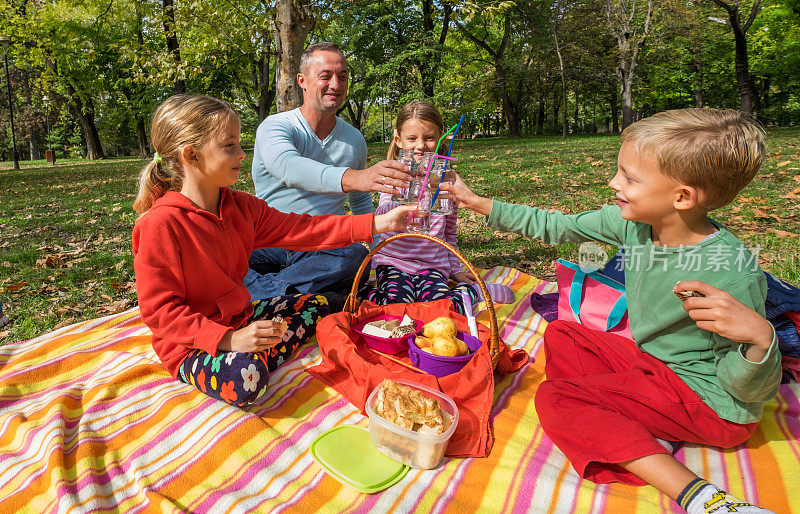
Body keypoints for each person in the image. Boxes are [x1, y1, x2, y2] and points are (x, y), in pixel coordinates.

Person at [441, 108, 781, 513]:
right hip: (656, 368)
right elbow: (557, 226)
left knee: (555, 398)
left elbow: (746, 392)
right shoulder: (636, 224)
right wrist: (476, 202)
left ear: (683, 197)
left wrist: (760, 339)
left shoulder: (728, 273)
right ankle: (619, 424)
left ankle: (702, 497)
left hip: (713, 406)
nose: (613, 183)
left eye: (629, 178)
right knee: (562, 334)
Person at [132, 94, 414, 408]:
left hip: (243, 319)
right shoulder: (160, 224)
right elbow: (159, 312)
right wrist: (229, 341)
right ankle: (251, 355)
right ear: (191, 155)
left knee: (327, 304)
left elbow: (305, 230)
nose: (241, 154)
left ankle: (258, 345)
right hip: (193, 346)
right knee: (248, 376)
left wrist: (378, 223)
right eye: (230, 146)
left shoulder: (241, 206)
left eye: (239, 143)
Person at [246, 42, 412, 308]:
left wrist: (376, 251)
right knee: (213, 260)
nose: (335, 84)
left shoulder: (354, 139)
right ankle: (310, 297)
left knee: (355, 255)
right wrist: (357, 177)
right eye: (325, 76)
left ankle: (264, 295)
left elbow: (360, 204)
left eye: (343, 76)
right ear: (302, 80)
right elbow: (289, 168)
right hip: (266, 243)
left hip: (321, 247)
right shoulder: (276, 126)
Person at [362, 100, 481, 314]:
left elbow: (450, 234)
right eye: (411, 138)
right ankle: (363, 292)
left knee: (441, 312)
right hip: (394, 262)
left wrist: (454, 269)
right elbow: (381, 219)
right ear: (398, 140)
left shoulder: (446, 182)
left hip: (432, 265)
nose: (420, 146)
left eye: (429, 138)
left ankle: (473, 293)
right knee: (397, 309)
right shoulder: (392, 177)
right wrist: (399, 203)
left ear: (440, 138)